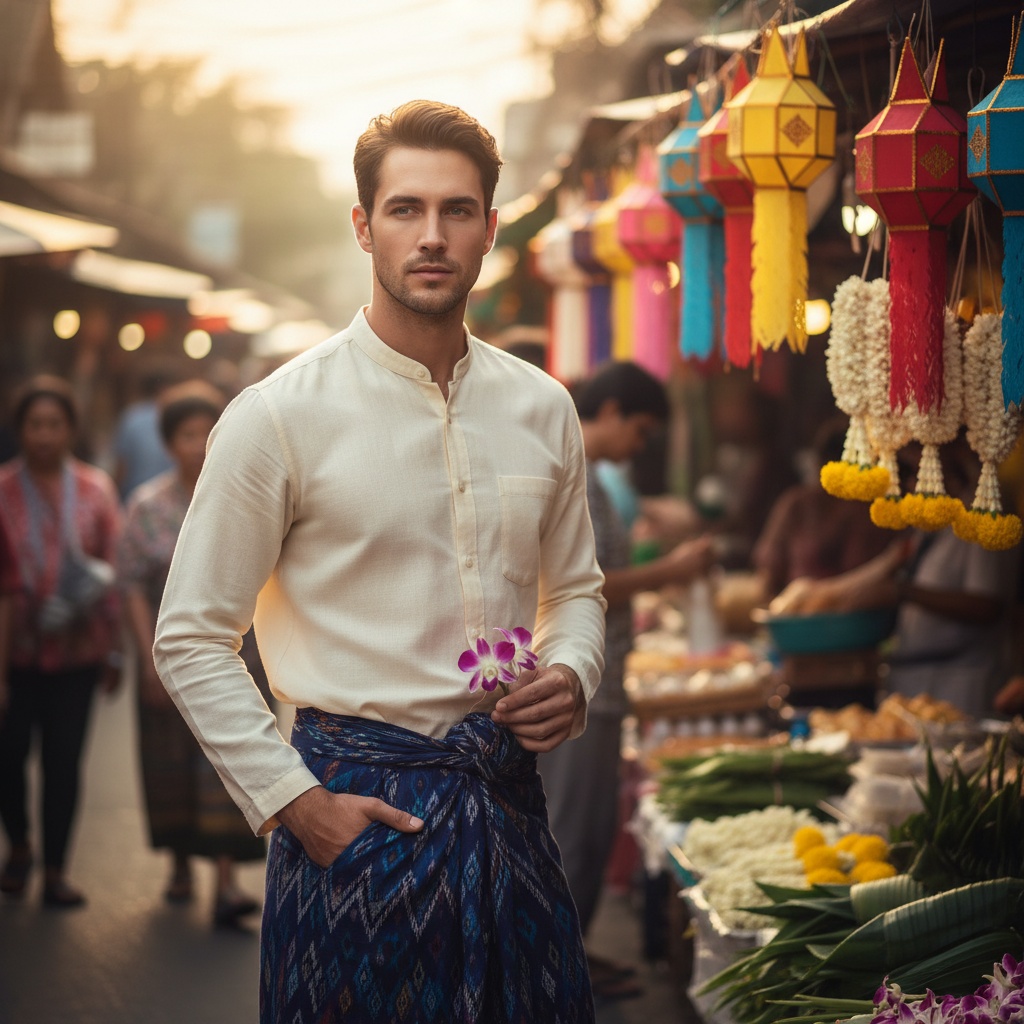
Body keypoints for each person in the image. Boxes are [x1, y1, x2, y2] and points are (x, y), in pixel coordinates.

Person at [154, 100, 606, 1023]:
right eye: (405, 209)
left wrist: (573, 669)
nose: (431, 236)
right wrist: (296, 803)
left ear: (491, 226)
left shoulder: (543, 406)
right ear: (363, 226)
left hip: (507, 802)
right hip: (351, 815)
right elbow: (191, 636)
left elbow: (578, 590)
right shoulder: (278, 416)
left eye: (457, 210)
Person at [538, 361, 715, 1000]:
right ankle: (556, 970)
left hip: (592, 679)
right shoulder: (575, 472)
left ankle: (567, 956)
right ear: (609, 411)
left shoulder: (591, 476)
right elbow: (578, 585)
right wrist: (670, 569)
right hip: (580, 682)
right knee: (573, 829)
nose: (641, 446)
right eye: (640, 431)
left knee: (583, 826)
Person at [116, 381, 265, 928]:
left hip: (235, 652)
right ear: (168, 441)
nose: (197, 444)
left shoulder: (244, 493)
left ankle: (225, 882)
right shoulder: (147, 506)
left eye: (206, 432)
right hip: (165, 651)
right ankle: (180, 863)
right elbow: (130, 583)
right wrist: (145, 657)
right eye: (185, 434)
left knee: (228, 759)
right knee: (169, 763)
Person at [0, 376, 122, 907]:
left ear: (71, 429)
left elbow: (113, 569)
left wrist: (115, 647)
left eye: (54, 424)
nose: (44, 435)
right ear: (20, 430)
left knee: (63, 762)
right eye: (34, 425)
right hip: (13, 654)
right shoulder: (2, 489)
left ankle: (54, 869)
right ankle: (20, 845)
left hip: (78, 652)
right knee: (7, 758)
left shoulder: (95, 489)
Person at [753, 416, 894, 601]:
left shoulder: (874, 510)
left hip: (863, 613)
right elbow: (769, 568)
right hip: (802, 614)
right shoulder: (798, 505)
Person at [112, 368, 175, 500]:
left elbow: (122, 466)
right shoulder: (177, 416)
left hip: (133, 496)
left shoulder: (132, 417)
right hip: (171, 499)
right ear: (163, 388)